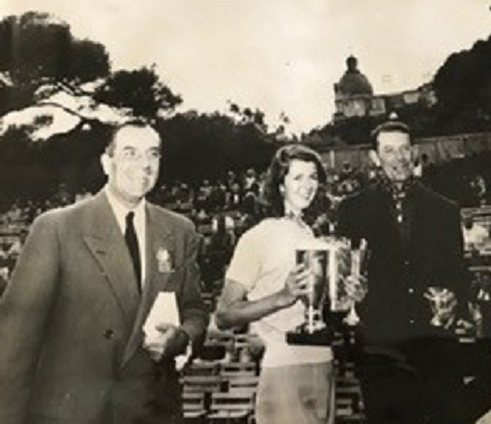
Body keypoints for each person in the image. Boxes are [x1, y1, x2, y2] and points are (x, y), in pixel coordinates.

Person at [0, 121, 208, 424]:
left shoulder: (179, 231)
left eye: (153, 154)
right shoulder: (57, 228)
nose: (144, 165)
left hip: (151, 410)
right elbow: (14, 342)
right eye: (130, 153)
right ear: (106, 162)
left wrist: (181, 338)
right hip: (73, 413)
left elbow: (195, 311)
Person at [336, 120, 472, 424]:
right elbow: (345, 279)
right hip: (381, 350)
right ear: (375, 158)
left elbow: (460, 274)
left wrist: (454, 301)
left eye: (404, 149)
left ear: (414, 153)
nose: (398, 158)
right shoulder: (351, 210)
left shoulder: (445, 209)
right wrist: (351, 289)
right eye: (389, 151)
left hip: (436, 344)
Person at [215, 144, 335, 424]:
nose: (307, 185)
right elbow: (224, 314)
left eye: (313, 177)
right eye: (297, 178)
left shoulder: (313, 235)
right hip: (284, 366)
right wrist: (282, 296)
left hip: (324, 361)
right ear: (280, 185)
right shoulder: (258, 237)